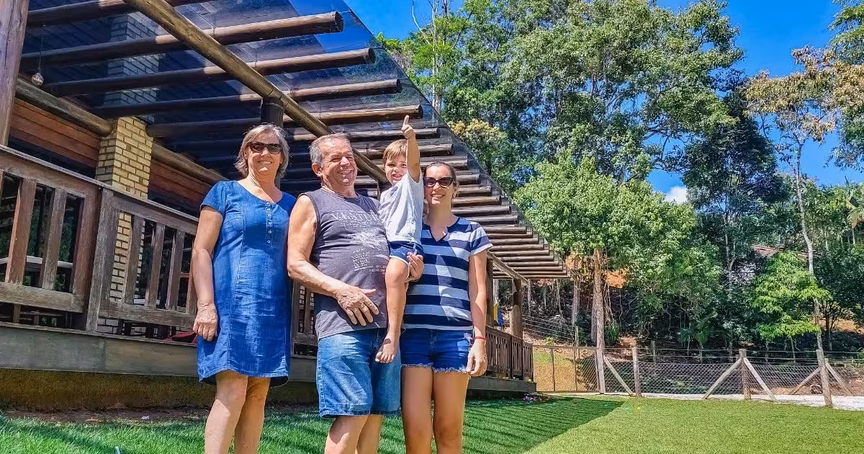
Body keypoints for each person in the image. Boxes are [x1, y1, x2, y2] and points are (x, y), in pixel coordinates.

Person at [286, 133, 422, 454]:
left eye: (349, 156)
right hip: (344, 328)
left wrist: (413, 272)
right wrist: (341, 291)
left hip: (386, 332)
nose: (346, 162)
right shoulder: (311, 201)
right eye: (335, 158)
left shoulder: (375, 205)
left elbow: (398, 255)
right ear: (318, 169)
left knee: (374, 418)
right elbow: (295, 264)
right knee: (351, 414)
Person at [191, 123, 296, 454]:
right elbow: (201, 251)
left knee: (258, 393)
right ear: (245, 153)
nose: (265, 153)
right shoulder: (224, 192)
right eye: (256, 146)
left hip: (273, 308)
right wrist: (205, 305)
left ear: (282, 157)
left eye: (273, 147)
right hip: (230, 307)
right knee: (233, 388)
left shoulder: (293, 205)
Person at [401, 161, 491, 454]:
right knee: (415, 432)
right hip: (412, 335)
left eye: (444, 181)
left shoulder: (472, 232)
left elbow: (478, 290)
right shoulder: (409, 230)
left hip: (455, 338)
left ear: (455, 188)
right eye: (429, 181)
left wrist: (480, 340)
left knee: (448, 430)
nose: (436, 187)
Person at [375, 116, 424, 364]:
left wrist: (411, 138)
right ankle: (390, 325)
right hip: (387, 246)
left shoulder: (411, 185)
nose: (396, 169)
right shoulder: (384, 195)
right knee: (393, 284)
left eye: (402, 165)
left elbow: (415, 163)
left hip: (405, 244)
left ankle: (392, 335)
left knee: (395, 276)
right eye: (391, 164)